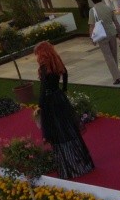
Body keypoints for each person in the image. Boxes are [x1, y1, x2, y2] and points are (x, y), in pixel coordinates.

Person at [34, 41, 94, 178]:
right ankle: (81, 161)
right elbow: (65, 73)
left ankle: (68, 165)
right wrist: (63, 89)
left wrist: (40, 105)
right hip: (60, 98)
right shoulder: (56, 62)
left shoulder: (44, 67)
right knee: (68, 128)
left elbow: (43, 89)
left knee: (57, 131)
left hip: (50, 102)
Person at [88, 0, 120, 85]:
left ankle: (118, 77)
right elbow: (116, 22)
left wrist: (92, 38)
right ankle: (117, 75)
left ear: (92, 0)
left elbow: (92, 26)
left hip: (101, 35)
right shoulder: (108, 8)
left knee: (108, 56)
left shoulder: (92, 10)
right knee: (114, 54)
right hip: (112, 33)